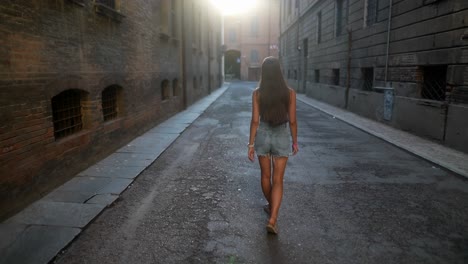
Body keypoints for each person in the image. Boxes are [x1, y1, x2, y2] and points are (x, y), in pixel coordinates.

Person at [248, 56, 298, 235]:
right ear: (279, 71)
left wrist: (251, 144)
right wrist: (294, 141)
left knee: (265, 176)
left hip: (262, 135)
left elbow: (255, 121)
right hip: (281, 135)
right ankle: (273, 219)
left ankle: (271, 207)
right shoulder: (290, 93)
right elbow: (292, 120)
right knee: (278, 180)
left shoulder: (257, 93)